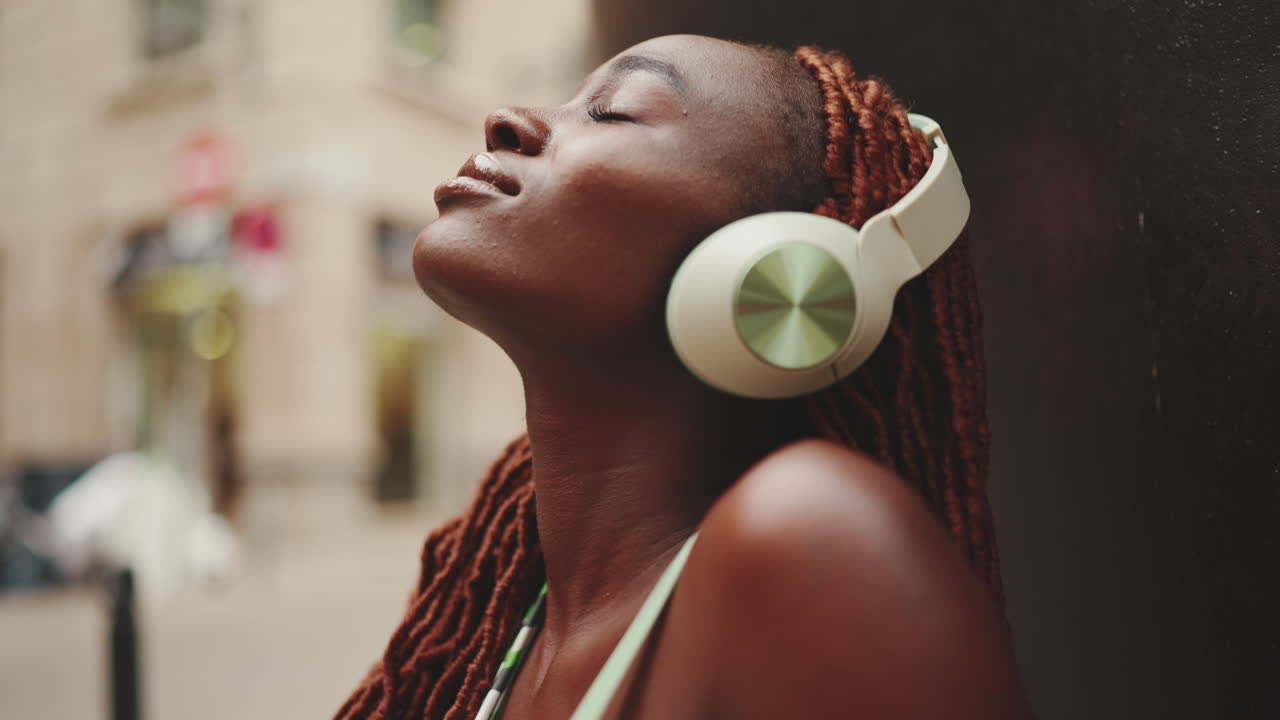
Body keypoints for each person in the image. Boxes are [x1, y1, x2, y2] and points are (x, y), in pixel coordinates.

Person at [336, 34, 1032, 719]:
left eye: (615, 110)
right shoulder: (501, 604)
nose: (508, 121)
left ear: (780, 265)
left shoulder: (805, 537)